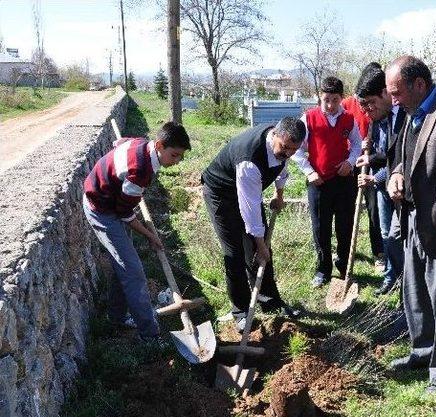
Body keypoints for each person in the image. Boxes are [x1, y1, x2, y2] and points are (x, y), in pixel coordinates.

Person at [385, 56, 436, 394]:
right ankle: (422, 351)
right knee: (414, 290)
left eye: (397, 92)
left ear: (419, 85)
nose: (394, 100)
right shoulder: (408, 112)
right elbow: (401, 154)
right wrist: (396, 174)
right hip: (412, 216)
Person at [83, 121, 191, 342]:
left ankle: (117, 318)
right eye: (174, 155)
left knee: (123, 265)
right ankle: (150, 335)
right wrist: (151, 235)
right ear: (159, 145)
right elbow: (124, 213)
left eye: (181, 156)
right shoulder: (140, 169)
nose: (177, 161)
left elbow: (120, 143)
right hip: (102, 209)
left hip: (112, 202)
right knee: (134, 272)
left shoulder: (143, 145)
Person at [201, 117, 306, 332]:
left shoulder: (282, 146)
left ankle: (269, 301)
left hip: (248, 191)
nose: (288, 154)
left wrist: (279, 194)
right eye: (285, 147)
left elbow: (282, 168)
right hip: (221, 194)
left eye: (294, 150)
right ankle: (240, 310)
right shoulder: (250, 160)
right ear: (274, 134)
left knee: (261, 249)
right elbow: (250, 213)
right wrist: (260, 245)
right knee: (235, 252)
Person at [292, 76, 362, 287]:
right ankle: (323, 269)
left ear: (342, 98)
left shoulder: (349, 119)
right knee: (320, 227)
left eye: (335, 100)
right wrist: (309, 172)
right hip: (318, 183)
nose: (330, 105)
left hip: (343, 182)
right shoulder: (309, 118)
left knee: (344, 225)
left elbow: (357, 144)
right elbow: (297, 149)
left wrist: (350, 162)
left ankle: (344, 266)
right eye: (326, 100)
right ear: (319, 98)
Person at [353, 66, 406, 295]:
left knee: (397, 235)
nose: (367, 110)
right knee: (386, 233)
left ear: (385, 93)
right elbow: (380, 150)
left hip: (395, 185)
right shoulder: (377, 119)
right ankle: (391, 277)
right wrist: (369, 149)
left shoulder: (403, 116)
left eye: (370, 103)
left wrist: (374, 176)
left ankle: (403, 279)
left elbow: (396, 157)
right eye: (363, 105)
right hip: (382, 185)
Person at [342, 62, 384, 270]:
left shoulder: (381, 105)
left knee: (374, 210)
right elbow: (339, 134)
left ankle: (379, 253)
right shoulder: (347, 104)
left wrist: (371, 145)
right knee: (348, 209)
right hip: (351, 162)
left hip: (372, 163)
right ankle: (347, 250)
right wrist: (355, 144)